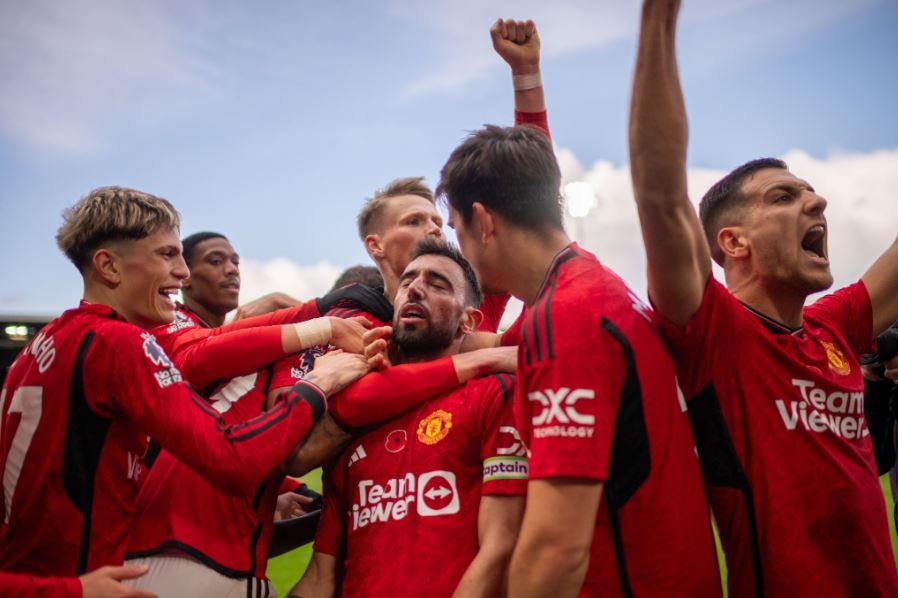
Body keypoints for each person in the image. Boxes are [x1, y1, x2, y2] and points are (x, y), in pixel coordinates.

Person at [627, 1, 898, 595]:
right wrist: (658, 22)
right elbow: (658, 190)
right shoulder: (711, 330)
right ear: (732, 241)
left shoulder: (832, 328)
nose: (817, 201)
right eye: (783, 196)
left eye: (810, 191)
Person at [0, 186, 368, 577]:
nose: (183, 272)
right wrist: (315, 385)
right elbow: (233, 460)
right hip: (77, 582)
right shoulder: (121, 343)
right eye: (166, 255)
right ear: (108, 267)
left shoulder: (40, 344)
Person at [437, 95, 719, 598]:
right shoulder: (593, 285)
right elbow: (480, 346)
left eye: (456, 230)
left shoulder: (566, 316)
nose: (461, 247)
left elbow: (556, 551)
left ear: (483, 222)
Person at [291, 240, 525, 598]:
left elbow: (502, 548)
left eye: (437, 284)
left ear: (469, 321)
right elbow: (320, 578)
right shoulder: (355, 424)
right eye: (408, 281)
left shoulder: (493, 396)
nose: (415, 288)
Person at [178, 231, 241, 328]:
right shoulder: (168, 329)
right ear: (184, 276)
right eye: (216, 261)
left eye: (235, 262)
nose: (233, 269)